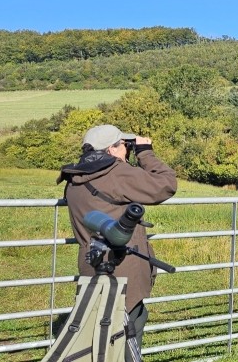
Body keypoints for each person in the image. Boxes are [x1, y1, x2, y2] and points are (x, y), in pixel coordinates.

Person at [57, 124, 177, 361]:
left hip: (91, 265)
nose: (127, 150)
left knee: (98, 333)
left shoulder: (74, 177)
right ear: (111, 150)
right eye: (124, 145)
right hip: (122, 269)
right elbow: (166, 184)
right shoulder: (116, 173)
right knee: (127, 333)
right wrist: (145, 152)